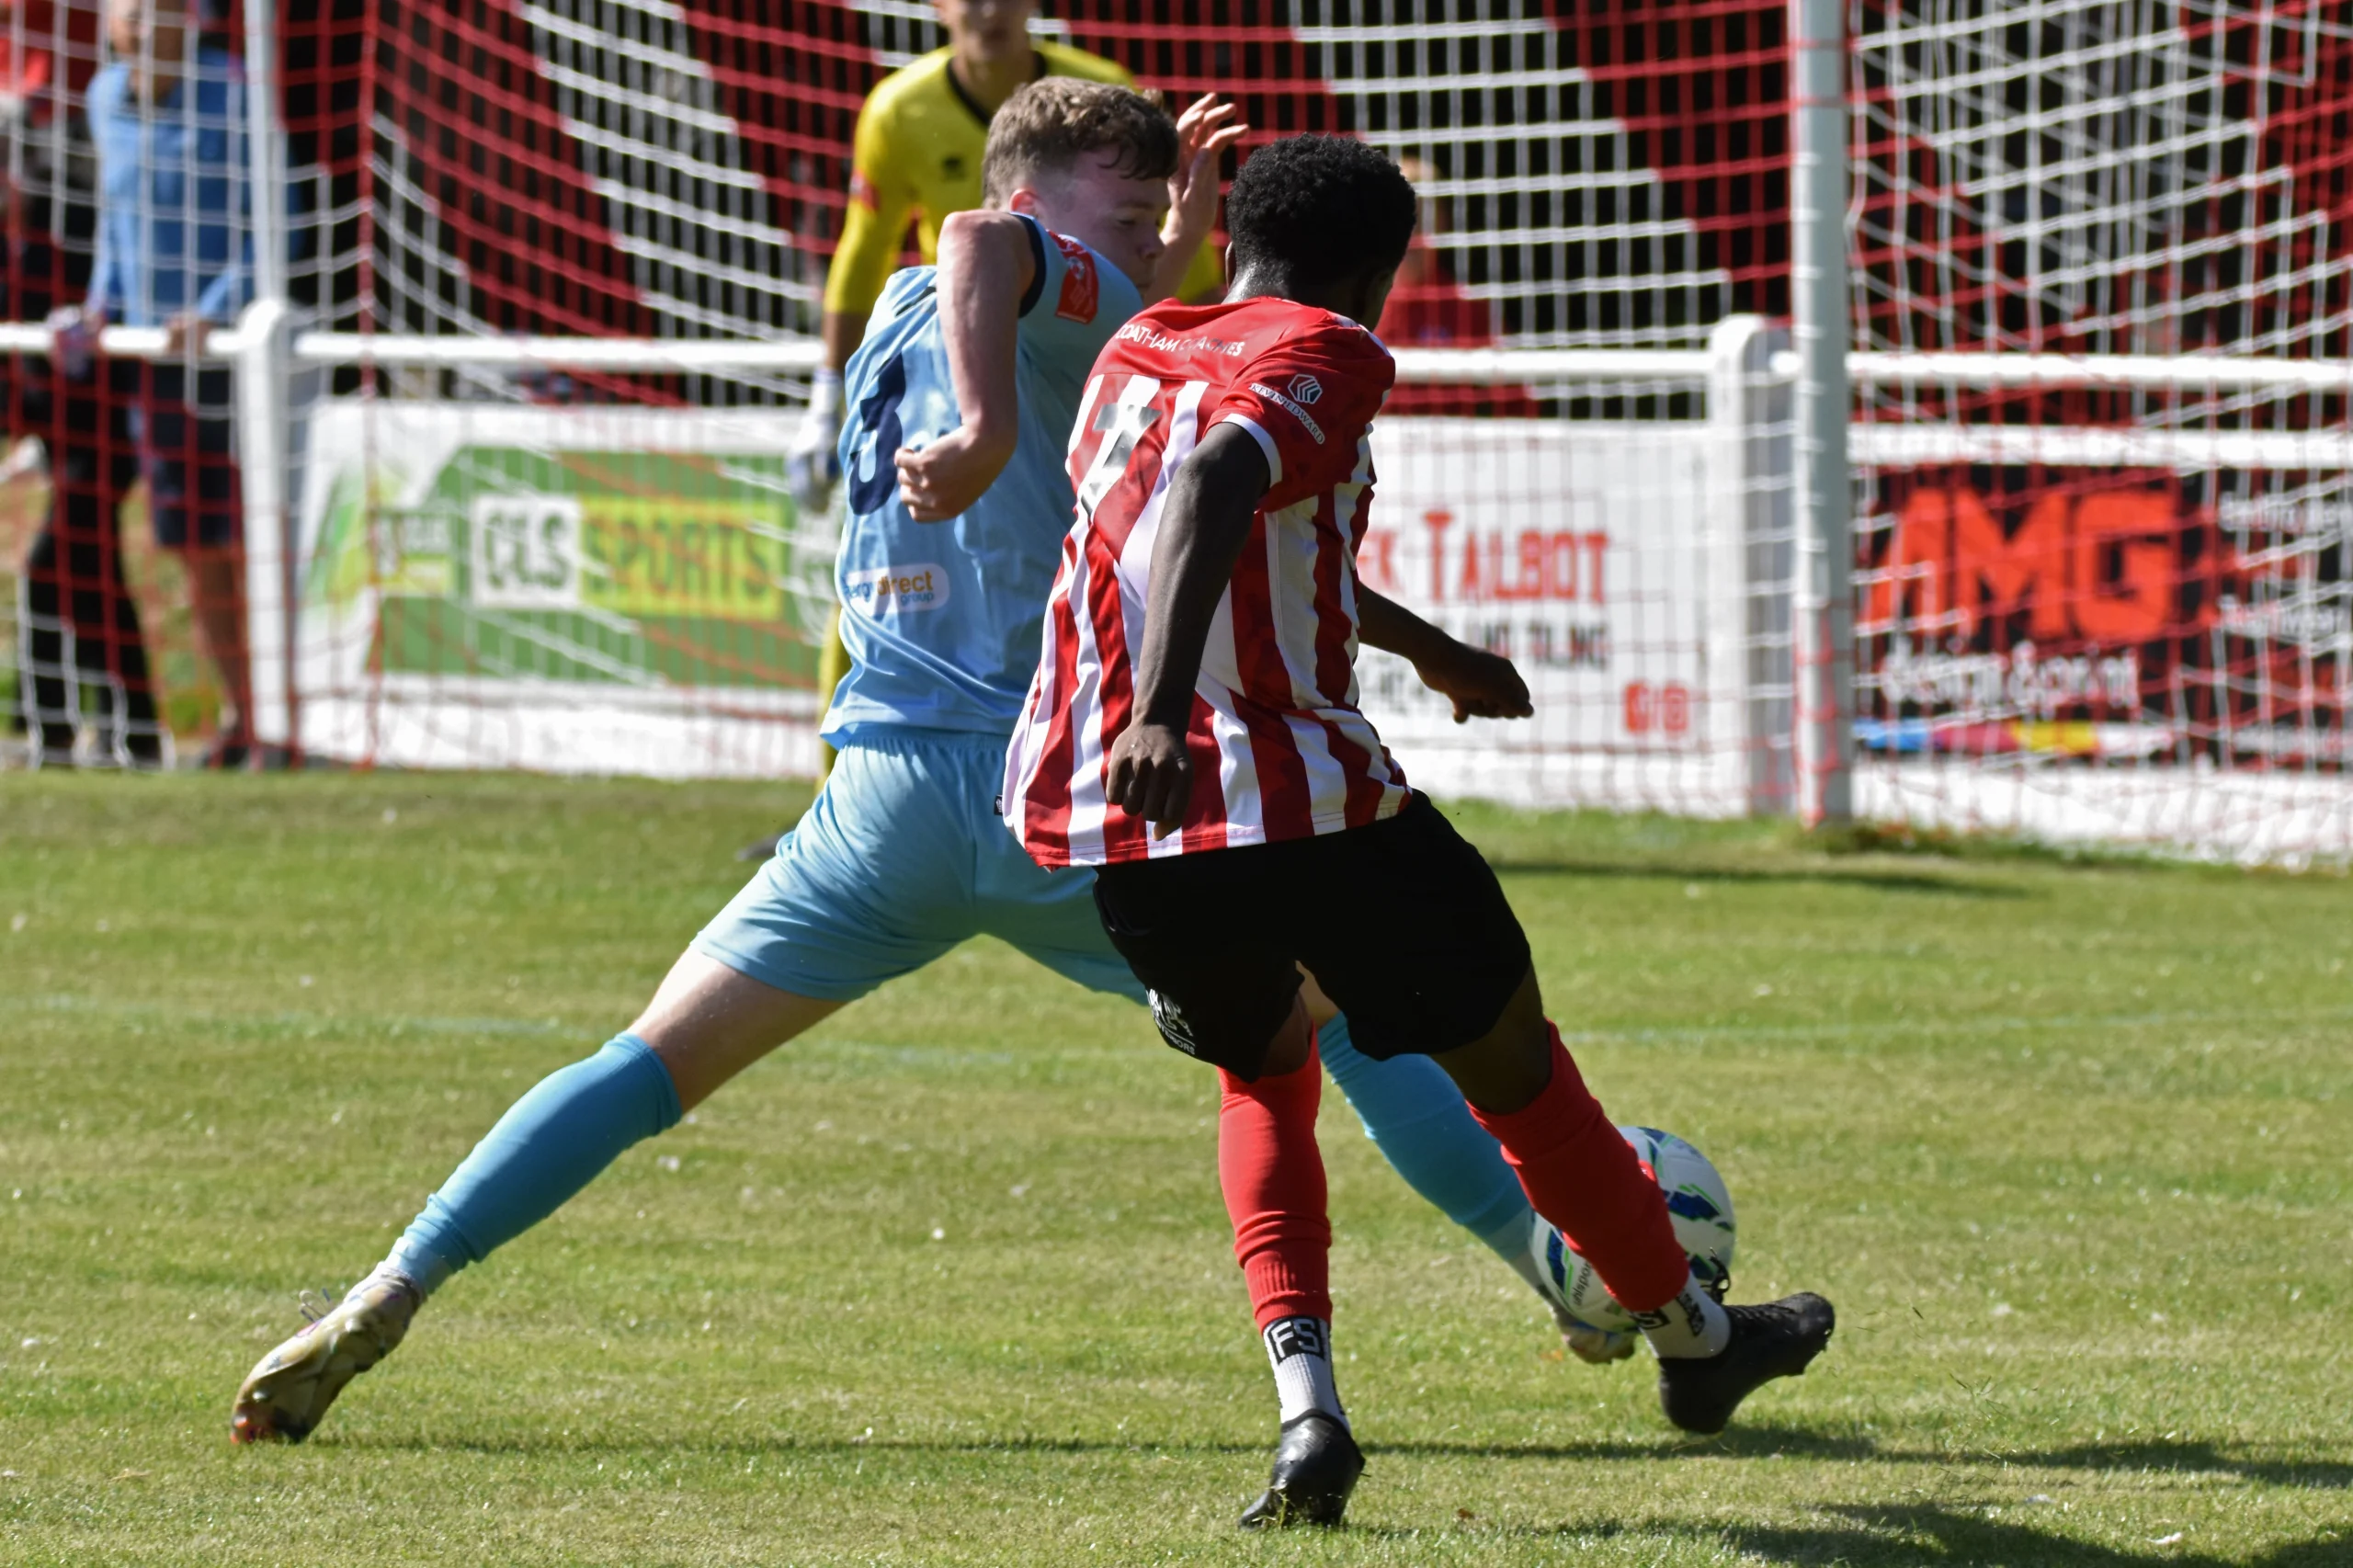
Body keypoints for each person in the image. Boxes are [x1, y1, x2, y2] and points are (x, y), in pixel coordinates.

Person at [227, 89, 1580, 1518]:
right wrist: (1023, 394)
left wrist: (1412, 631)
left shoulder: (897, 319)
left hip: (878, 805)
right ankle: (1573, 1274)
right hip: (1043, 797)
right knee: (1350, 1022)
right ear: (1048, 204)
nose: (1157, 236)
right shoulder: (1045, 294)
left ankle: (392, 1286)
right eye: (1126, 212)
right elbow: (992, 246)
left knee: (642, 1065)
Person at [1001, 133, 1837, 1523]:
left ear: (1234, 246)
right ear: (1381, 273)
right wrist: (1167, 709)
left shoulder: (1141, 346)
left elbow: (1228, 531)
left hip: (1124, 818)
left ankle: (1307, 1414)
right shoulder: (1333, 351)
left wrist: (1430, 648)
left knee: (1264, 1078)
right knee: (1516, 1062)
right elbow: (1217, 488)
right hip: (1297, 802)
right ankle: (1697, 1342)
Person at [776, 0, 1223, 796]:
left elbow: (1099, 276)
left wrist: (1173, 229)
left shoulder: (900, 301)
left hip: (891, 767)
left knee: (877, 620)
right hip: (1014, 724)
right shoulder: (904, 118)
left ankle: (830, 797)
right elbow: (978, 241)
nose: (987, 9)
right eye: (1131, 217)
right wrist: (983, 429)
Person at [55, 0, 256, 766]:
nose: (136, 27)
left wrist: (213, 313)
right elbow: (117, 224)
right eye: (124, 12)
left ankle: (285, 714)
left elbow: (279, 224)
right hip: (155, 372)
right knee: (193, 549)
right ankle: (240, 717)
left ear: (190, 19)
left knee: (251, 544)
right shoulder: (104, 99)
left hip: (238, 365)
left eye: (151, 11)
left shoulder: (233, 95)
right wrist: (101, 305)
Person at [5, 0, 163, 767]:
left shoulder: (57, 238)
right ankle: (101, 732)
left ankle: (82, 732)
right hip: (64, 432)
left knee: (60, 571)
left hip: (110, 415)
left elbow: (84, 316)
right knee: (77, 569)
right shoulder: (16, 256)